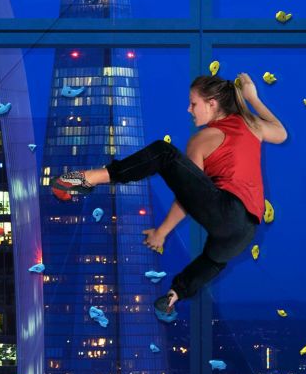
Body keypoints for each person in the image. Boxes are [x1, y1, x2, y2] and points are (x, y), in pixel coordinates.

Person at [52, 71, 287, 321]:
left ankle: (87, 178)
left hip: (227, 210)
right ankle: (173, 297)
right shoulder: (253, 126)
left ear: (212, 104)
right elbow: (281, 133)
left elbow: (187, 196)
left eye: (193, 103)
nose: (189, 109)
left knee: (163, 152)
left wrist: (162, 232)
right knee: (213, 260)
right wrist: (253, 97)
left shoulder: (203, 140)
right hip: (246, 232)